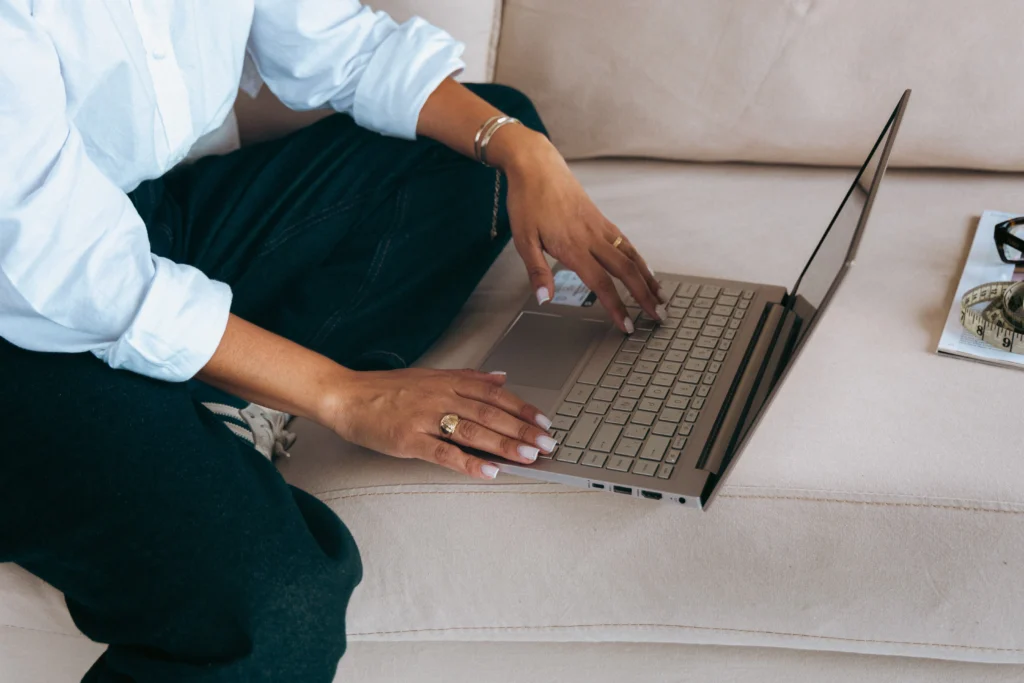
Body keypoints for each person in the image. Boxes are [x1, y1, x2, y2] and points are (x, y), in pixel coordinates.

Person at [0, 1, 666, 681]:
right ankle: (199, 399)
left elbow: (339, 46)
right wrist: (342, 394)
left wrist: (521, 146)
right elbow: (72, 268)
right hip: (23, 313)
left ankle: (209, 389)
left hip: (139, 217)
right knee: (274, 611)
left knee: (481, 149)